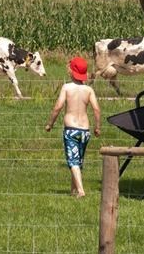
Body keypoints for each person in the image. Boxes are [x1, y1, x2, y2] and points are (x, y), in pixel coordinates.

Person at [45, 56, 101, 197]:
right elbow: (96, 109)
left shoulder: (67, 87)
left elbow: (58, 107)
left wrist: (50, 123)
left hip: (71, 130)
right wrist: (97, 126)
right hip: (85, 131)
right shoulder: (89, 90)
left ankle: (81, 191)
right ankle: (73, 190)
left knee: (73, 161)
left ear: (71, 71)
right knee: (78, 161)